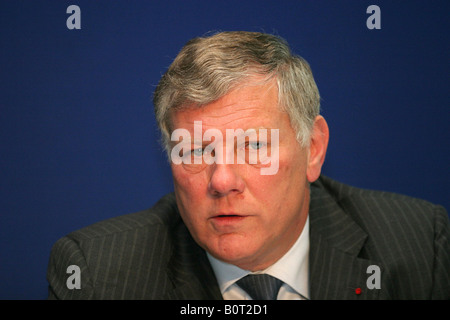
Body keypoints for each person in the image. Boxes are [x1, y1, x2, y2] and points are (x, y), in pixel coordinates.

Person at [47, 31, 450, 300]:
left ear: (312, 149)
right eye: (196, 150)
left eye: (254, 146)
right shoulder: (98, 275)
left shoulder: (417, 247)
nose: (222, 181)